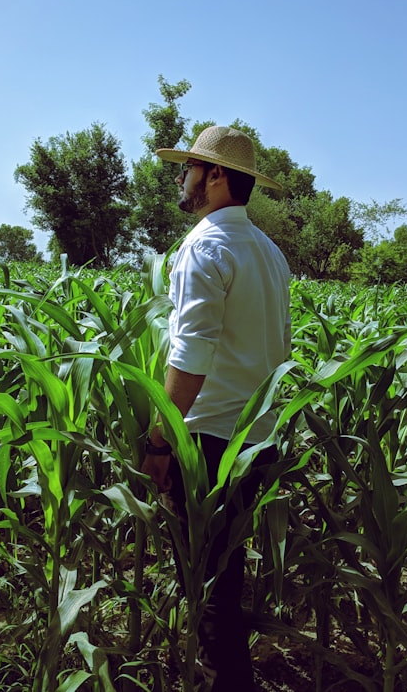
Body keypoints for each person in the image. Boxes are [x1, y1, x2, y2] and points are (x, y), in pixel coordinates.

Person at [141, 125, 291, 690]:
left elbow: (190, 358)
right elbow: (280, 350)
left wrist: (160, 442)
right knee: (224, 584)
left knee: (205, 591)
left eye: (189, 169)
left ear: (217, 176)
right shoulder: (270, 254)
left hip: (206, 445)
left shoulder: (205, 245)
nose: (182, 179)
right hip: (256, 442)